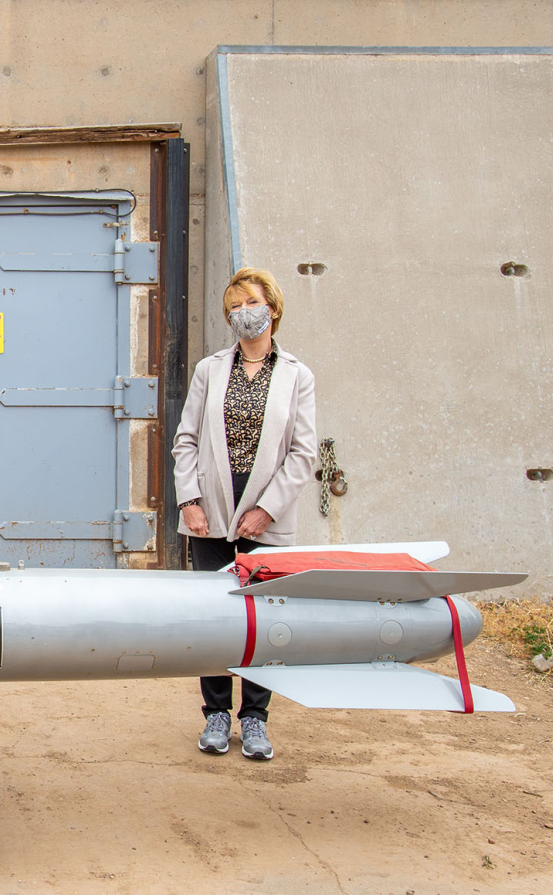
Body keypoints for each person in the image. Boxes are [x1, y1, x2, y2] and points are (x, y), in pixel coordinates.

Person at [172, 266, 317, 761]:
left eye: (250, 303)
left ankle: (254, 718)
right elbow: (186, 439)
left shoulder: (297, 375)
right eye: (233, 307)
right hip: (210, 512)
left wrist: (267, 510)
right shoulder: (210, 370)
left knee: (264, 618)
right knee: (214, 614)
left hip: (265, 516)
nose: (242, 314)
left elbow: (303, 453)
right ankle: (216, 712)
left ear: (272, 309)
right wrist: (189, 501)